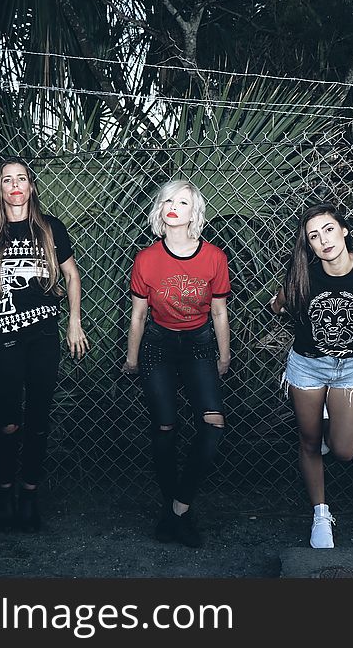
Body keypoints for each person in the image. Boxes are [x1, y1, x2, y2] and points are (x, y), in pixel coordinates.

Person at [0, 157, 88, 532]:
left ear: (31, 186)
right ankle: (4, 494)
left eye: (21, 178)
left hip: (43, 335)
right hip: (3, 336)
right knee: (9, 420)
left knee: (39, 418)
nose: (15, 185)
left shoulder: (50, 228)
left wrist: (74, 322)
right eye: (7, 179)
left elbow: (71, 275)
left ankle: (29, 496)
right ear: (0, 189)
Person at [270, 203, 353, 548]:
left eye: (328, 229)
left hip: (349, 369)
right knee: (310, 442)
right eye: (314, 236)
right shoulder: (303, 274)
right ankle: (320, 514)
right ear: (309, 245)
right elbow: (278, 305)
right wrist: (284, 305)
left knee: (344, 450)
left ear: (343, 230)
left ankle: (330, 418)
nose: (323, 240)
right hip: (307, 366)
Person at [122, 179, 232, 549]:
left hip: (200, 344)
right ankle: (174, 512)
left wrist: (224, 353)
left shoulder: (214, 257)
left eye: (182, 202)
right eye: (167, 200)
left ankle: (178, 509)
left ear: (193, 213)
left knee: (214, 424)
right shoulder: (145, 259)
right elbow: (138, 315)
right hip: (158, 345)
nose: (173, 206)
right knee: (165, 426)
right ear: (160, 210)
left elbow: (219, 310)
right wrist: (132, 358)